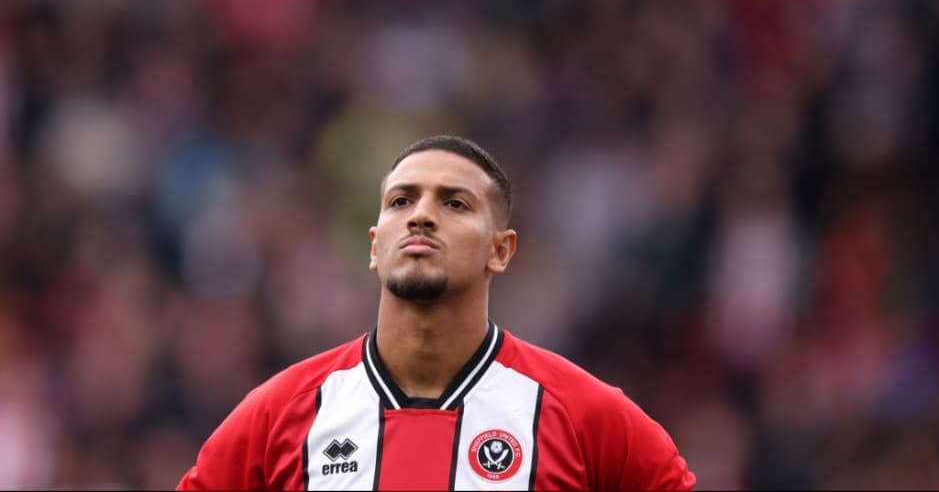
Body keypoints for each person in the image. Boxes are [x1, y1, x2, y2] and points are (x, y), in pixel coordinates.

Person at [177, 135, 696, 491]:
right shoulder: (279, 415)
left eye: (455, 204)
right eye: (401, 201)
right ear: (376, 245)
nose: (422, 215)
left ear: (501, 250)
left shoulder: (583, 416)